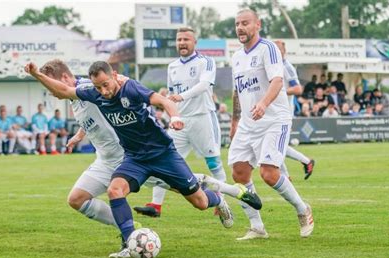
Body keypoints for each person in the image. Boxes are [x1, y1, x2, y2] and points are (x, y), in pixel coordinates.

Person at [25, 59, 262, 258]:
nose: (103, 91)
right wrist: (79, 134)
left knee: (195, 197)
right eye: (100, 87)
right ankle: (130, 237)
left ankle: (226, 194)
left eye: (106, 85)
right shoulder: (92, 92)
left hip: (152, 153)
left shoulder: (111, 87)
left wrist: (175, 117)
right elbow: (78, 102)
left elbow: (161, 100)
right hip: (123, 158)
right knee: (89, 196)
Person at [230, 9, 314, 240]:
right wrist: (235, 121)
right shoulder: (237, 57)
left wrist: (264, 104)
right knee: (239, 172)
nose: (240, 28)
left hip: (274, 120)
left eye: (245, 23)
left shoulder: (268, 48)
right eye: (237, 24)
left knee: (268, 174)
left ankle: (302, 209)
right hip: (248, 124)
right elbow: (237, 92)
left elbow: (277, 80)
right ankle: (257, 227)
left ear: (258, 24)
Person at [134, 27, 230, 218]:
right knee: (163, 160)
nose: (182, 43)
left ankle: (222, 202)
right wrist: (171, 108)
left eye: (186, 39)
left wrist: (180, 96)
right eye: (179, 40)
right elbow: (171, 94)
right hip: (180, 122)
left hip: (202, 117)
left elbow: (204, 85)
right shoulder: (173, 66)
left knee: (213, 163)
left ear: (195, 42)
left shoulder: (206, 61)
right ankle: (156, 205)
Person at [274, 40, 315, 180]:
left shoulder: (287, 67)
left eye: (277, 49)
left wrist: (278, 92)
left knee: (276, 145)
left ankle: (298, 166)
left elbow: (298, 89)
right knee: (274, 144)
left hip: (284, 112)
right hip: (275, 111)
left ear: (283, 51)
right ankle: (287, 174)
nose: (274, 52)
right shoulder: (274, 66)